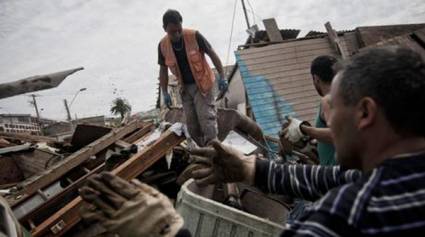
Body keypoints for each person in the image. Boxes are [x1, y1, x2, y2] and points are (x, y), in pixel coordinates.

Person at [191, 47, 425, 236]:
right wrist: (249, 168)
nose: (329, 118)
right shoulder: (385, 177)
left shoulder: (340, 219)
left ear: (364, 113)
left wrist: (168, 225)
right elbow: (329, 178)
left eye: (333, 106)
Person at [158, 9, 227, 147]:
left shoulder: (194, 36)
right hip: (185, 88)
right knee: (192, 125)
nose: (177, 34)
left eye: (179, 29)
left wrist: (222, 76)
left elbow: (212, 54)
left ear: (181, 25)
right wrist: (164, 92)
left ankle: (214, 150)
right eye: (172, 32)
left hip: (203, 84)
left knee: (207, 119)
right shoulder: (162, 46)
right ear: (165, 29)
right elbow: (163, 70)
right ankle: (203, 150)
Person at [283, 56, 338, 166]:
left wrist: (303, 129)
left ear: (316, 79)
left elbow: (339, 135)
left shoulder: (328, 100)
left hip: (338, 174)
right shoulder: (347, 96)